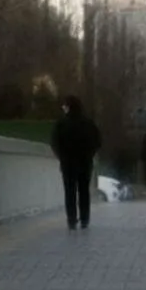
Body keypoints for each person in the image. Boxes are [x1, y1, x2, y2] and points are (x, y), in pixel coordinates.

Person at [50, 95, 102, 230]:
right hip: (85, 162)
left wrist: (61, 156)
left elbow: (55, 142)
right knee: (84, 191)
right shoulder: (89, 123)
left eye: (64, 106)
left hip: (68, 163)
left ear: (68, 107)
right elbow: (98, 141)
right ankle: (85, 219)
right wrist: (90, 154)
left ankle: (71, 219)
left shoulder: (61, 123)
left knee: (70, 192)